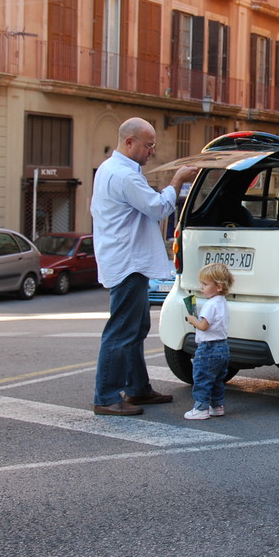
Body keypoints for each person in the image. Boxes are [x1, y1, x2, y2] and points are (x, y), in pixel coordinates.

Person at [91, 117, 198, 416]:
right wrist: (177, 181)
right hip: (127, 262)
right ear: (129, 142)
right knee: (122, 331)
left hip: (126, 259)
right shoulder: (125, 176)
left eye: (153, 145)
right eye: (148, 145)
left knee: (135, 328)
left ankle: (137, 389)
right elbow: (158, 208)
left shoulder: (111, 170)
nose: (152, 151)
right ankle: (106, 396)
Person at [184, 263, 235, 420]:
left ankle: (201, 408)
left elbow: (203, 326)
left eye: (205, 284)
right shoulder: (222, 303)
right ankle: (217, 406)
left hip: (208, 348)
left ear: (218, 286)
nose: (202, 288)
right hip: (222, 347)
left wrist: (192, 320)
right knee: (217, 379)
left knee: (202, 378)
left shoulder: (209, 305)